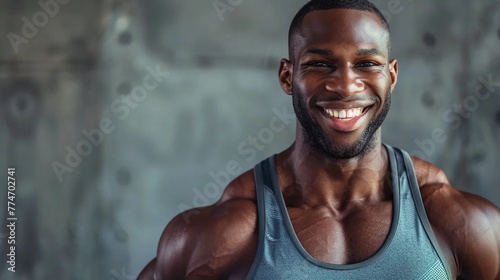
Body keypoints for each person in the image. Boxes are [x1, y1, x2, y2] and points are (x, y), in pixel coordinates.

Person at [138, 0, 500, 279]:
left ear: (391, 76)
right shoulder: (224, 232)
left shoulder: (459, 221)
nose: (345, 86)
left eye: (366, 64)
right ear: (286, 76)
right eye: (320, 64)